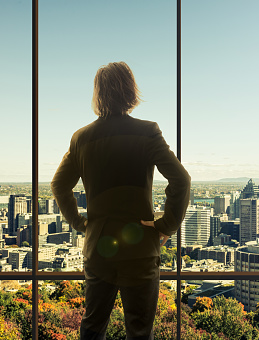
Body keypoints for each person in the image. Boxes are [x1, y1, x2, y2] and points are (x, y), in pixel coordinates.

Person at [51, 61, 191, 340]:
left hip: (99, 248)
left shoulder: (81, 138)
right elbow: (181, 180)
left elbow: (58, 185)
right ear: (130, 90)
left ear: (98, 94)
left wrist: (81, 223)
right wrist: (166, 226)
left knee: (92, 328)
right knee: (139, 331)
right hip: (140, 248)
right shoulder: (148, 132)